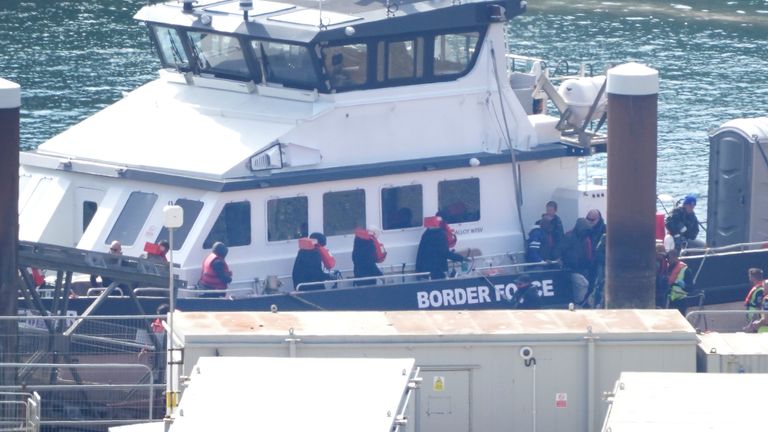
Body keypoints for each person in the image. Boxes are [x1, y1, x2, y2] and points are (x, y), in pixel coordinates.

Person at [560, 218, 594, 307]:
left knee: (582, 286)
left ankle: (579, 303)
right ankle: (579, 304)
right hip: (570, 269)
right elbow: (560, 250)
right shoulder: (569, 236)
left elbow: (588, 254)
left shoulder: (585, 238)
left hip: (581, 268)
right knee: (582, 285)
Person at [586, 209, 606, 308]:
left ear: (598, 219)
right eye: (588, 219)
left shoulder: (605, 230)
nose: (590, 222)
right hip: (589, 262)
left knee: (599, 283)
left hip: (600, 262)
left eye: (592, 220)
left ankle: (598, 302)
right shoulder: (585, 230)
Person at [666, 249, 693, 314]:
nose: (668, 260)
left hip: (681, 300)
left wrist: (684, 285)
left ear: (675, 257)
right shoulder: (667, 268)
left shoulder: (686, 270)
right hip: (669, 300)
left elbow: (691, 288)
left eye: (669, 258)